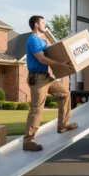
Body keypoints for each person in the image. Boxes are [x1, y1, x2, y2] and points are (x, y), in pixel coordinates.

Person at [23, 15, 78, 152]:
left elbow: (51, 54)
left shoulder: (42, 41)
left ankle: (63, 124)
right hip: (38, 79)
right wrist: (61, 65)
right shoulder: (33, 40)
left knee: (65, 93)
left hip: (46, 77)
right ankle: (28, 141)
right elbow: (42, 59)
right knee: (37, 108)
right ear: (36, 25)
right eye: (42, 22)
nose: (44, 24)